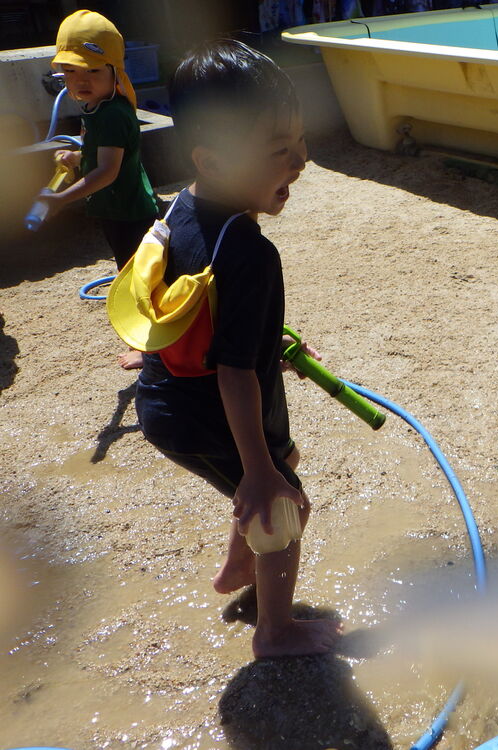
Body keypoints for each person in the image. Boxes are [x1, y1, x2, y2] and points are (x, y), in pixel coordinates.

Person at [130, 40, 339, 658]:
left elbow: (186, 312)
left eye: (300, 143)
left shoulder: (181, 211)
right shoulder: (249, 251)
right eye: (280, 152)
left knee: (284, 457)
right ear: (215, 162)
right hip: (210, 412)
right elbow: (234, 374)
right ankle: (275, 633)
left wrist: (268, 348)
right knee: (281, 508)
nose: (301, 162)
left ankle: (235, 568)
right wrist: (258, 470)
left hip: (170, 398)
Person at [35, 10, 159, 369]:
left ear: (115, 73)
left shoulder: (112, 115)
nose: (81, 80)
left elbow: (107, 171)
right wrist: (77, 157)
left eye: (93, 70)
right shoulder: (96, 108)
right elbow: (97, 153)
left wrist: (60, 198)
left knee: (139, 280)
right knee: (135, 274)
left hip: (130, 213)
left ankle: (150, 347)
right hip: (117, 209)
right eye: (72, 71)